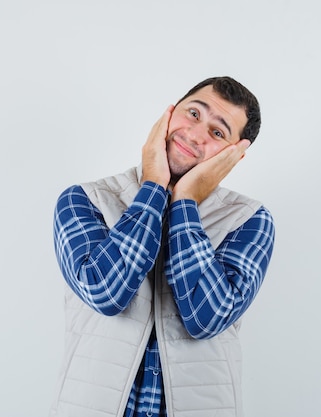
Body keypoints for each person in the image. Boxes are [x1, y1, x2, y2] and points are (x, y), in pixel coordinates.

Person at [50, 76, 275, 417]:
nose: (196, 134)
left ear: (234, 155)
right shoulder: (85, 199)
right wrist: (155, 185)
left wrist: (185, 202)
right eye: (194, 114)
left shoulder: (249, 219)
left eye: (218, 132)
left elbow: (206, 317)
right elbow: (105, 291)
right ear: (168, 115)